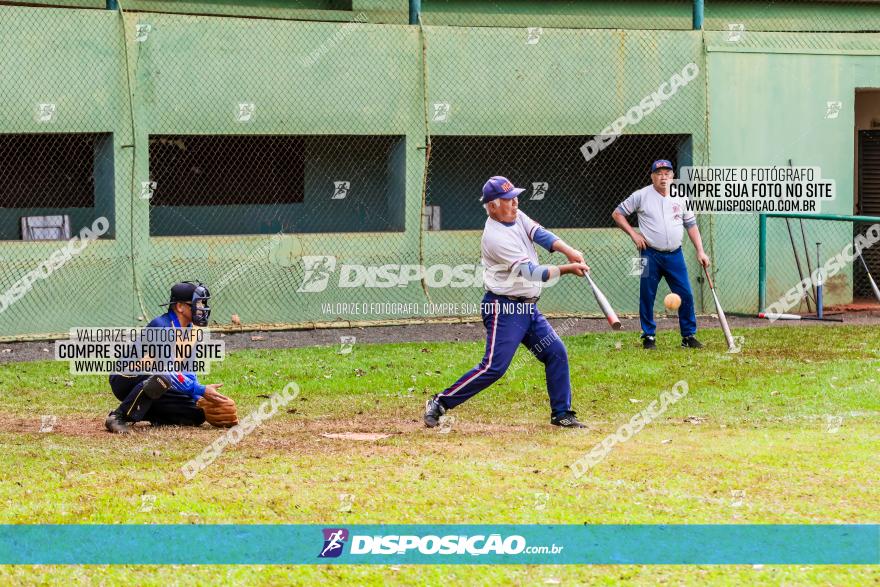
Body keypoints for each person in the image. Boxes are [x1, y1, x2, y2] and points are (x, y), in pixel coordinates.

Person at [424, 176, 590, 429]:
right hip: (505, 308)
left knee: (556, 352)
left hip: (527, 307)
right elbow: (533, 273)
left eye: (515, 196)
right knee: (494, 367)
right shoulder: (495, 237)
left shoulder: (515, 214)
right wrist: (568, 268)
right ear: (492, 206)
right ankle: (440, 402)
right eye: (508, 199)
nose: (515, 202)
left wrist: (569, 250)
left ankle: (562, 413)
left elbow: (540, 234)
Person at [611, 159, 710, 350]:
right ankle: (648, 337)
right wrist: (634, 234)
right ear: (652, 176)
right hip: (648, 254)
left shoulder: (681, 197)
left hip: (675, 254)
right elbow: (617, 214)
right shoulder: (641, 195)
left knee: (686, 295)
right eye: (659, 173)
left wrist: (700, 251)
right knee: (647, 294)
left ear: (672, 176)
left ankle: (688, 337)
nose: (663, 177)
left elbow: (691, 225)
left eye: (667, 173)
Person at [104, 281, 227, 433]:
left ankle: (146, 413)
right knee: (161, 378)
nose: (201, 308)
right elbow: (167, 372)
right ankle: (118, 416)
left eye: (202, 303)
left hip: (156, 379)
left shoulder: (191, 331)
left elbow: (188, 372)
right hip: (125, 378)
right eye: (197, 303)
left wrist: (199, 399)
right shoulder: (162, 326)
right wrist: (201, 390)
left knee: (197, 414)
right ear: (180, 307)